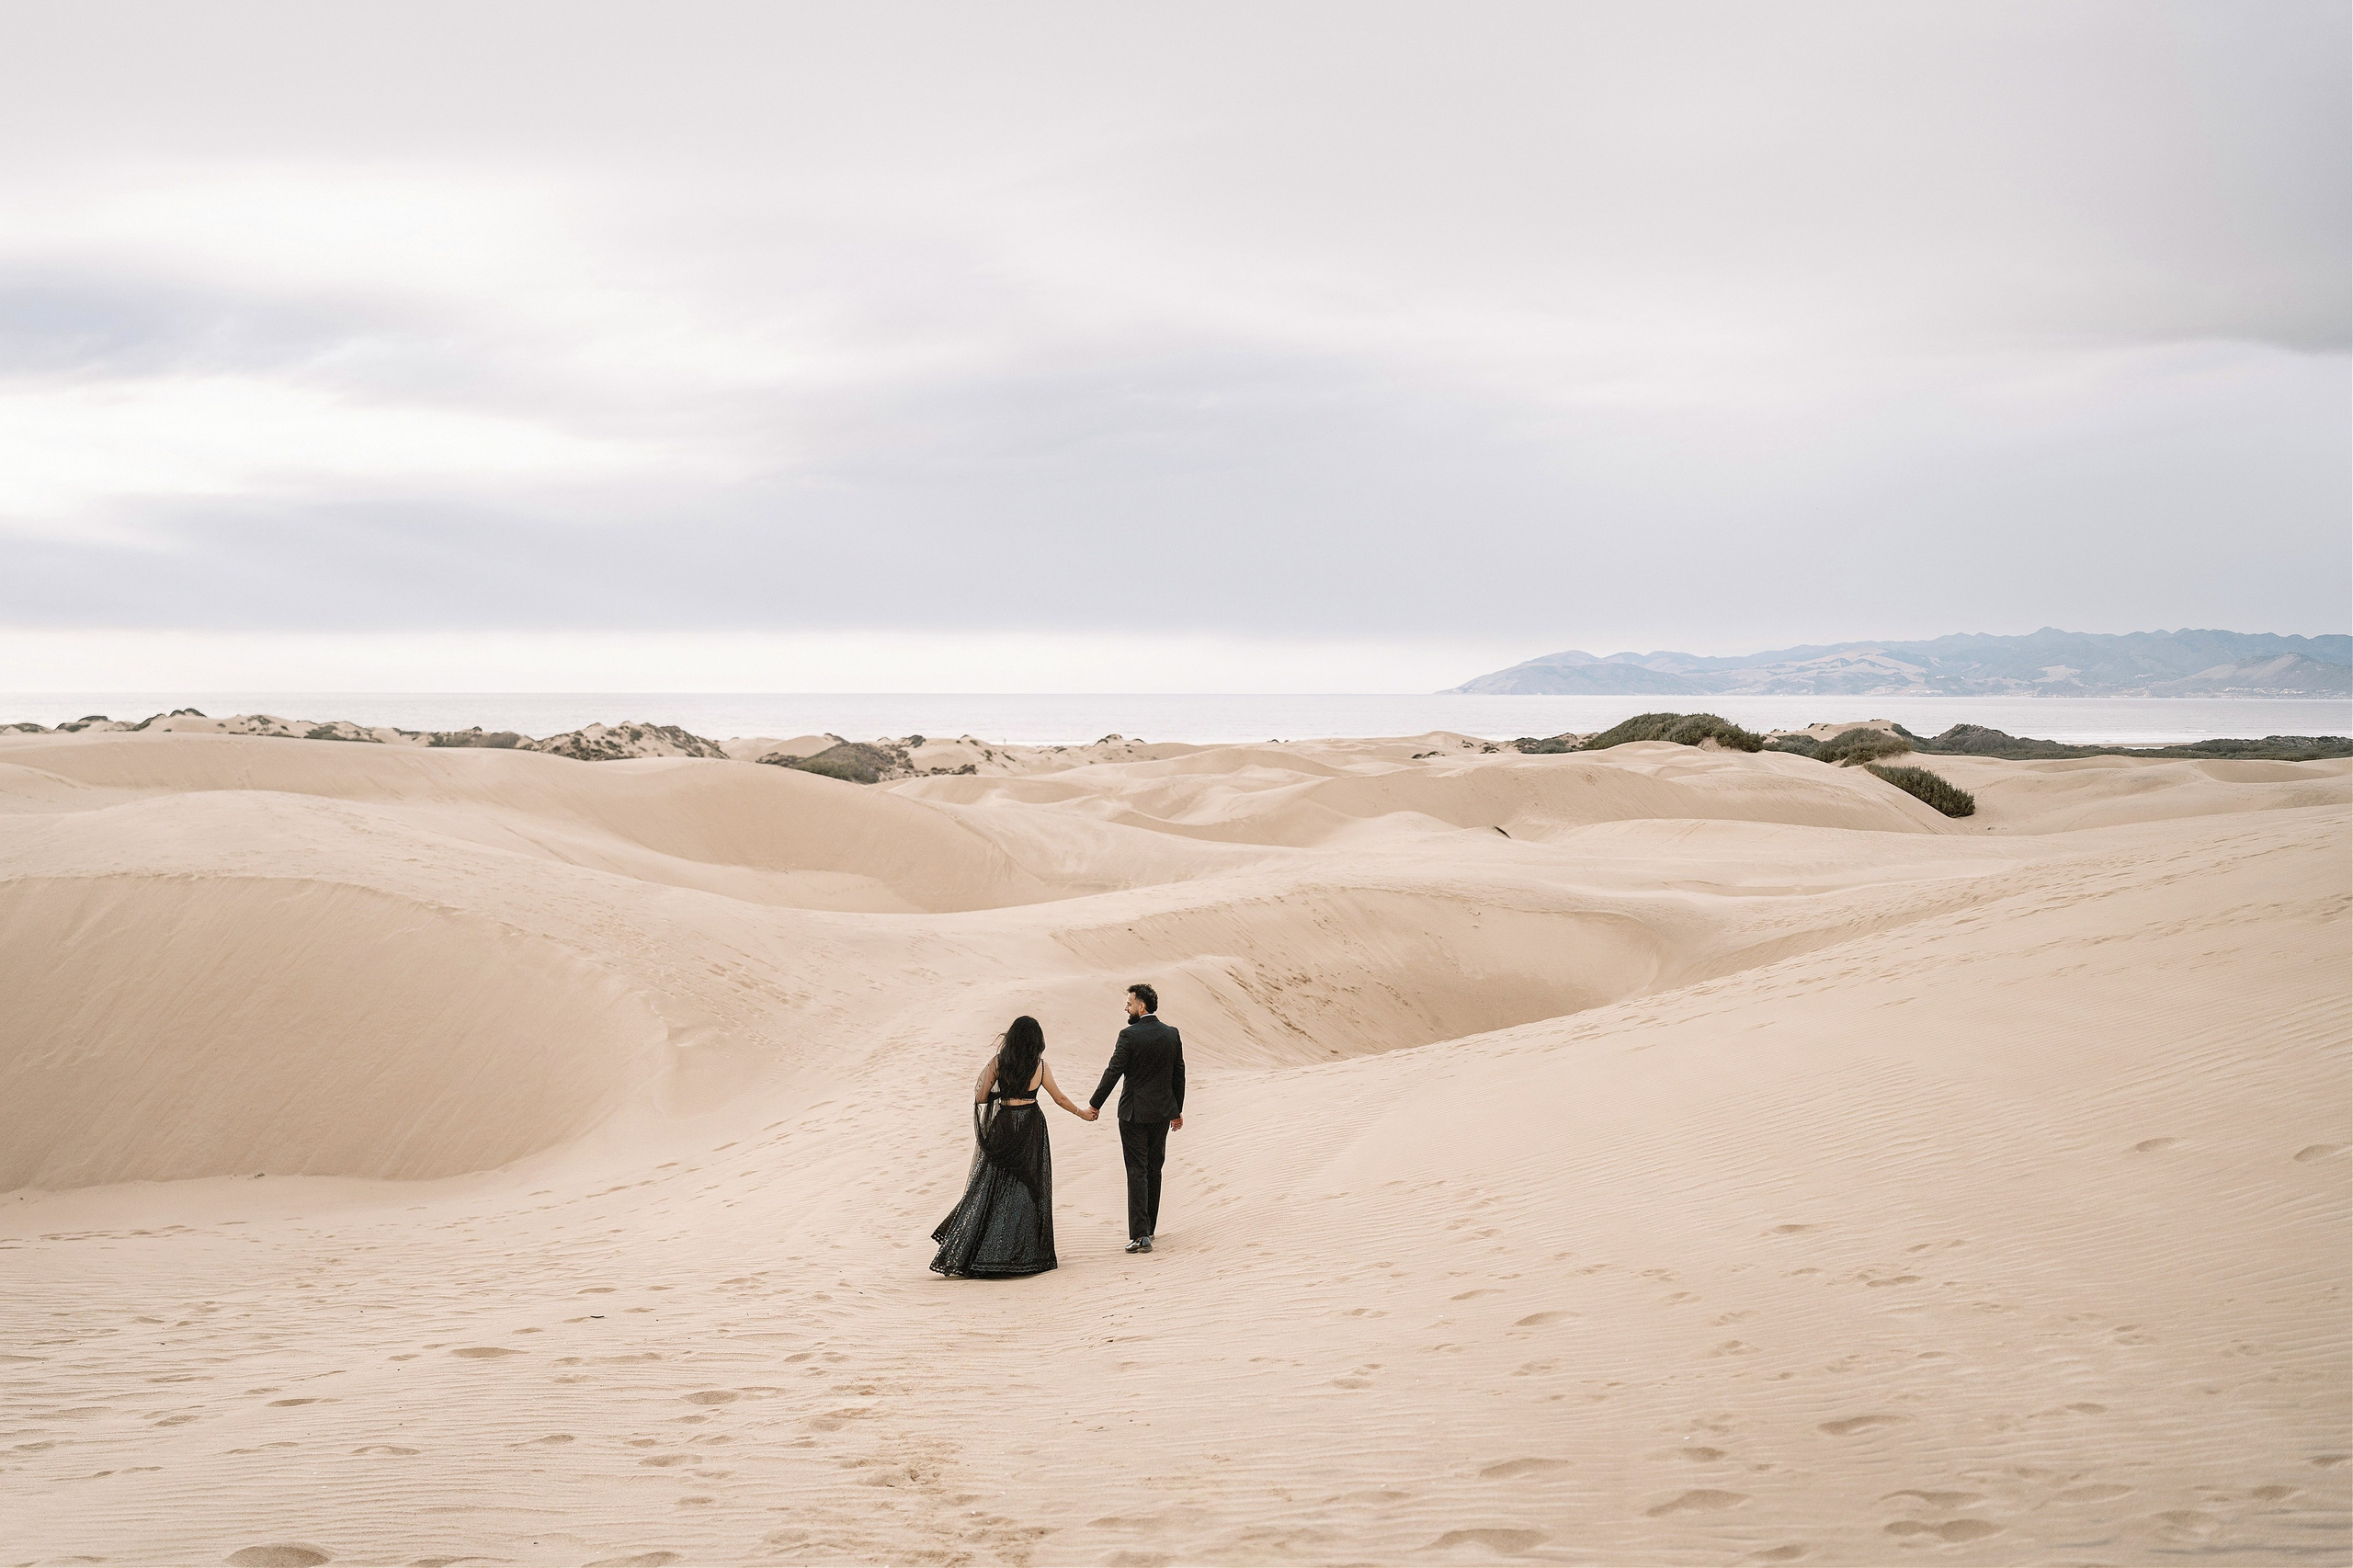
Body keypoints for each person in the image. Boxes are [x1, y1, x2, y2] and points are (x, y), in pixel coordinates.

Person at [930, 1016, 1094, 1278]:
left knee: (992, 1184)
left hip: (1005, 1123)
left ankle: (981, 1250)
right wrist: (1082, 1113)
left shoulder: (998, 1062)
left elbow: (980, 1096)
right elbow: (1059, 1098)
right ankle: (1022, 1253)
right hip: (1031, 1126)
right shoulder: (1040, 1066)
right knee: (1028, 1187)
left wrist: (1000, 1090)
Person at [1089, 982, 1186, 1254]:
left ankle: (1139, 1235)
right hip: (1161, 1113)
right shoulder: (1171, 1034)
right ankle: (1150, 1230)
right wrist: (1176, 1111)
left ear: (1141, 1006)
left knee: (1137, 1170)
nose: (1126, 1008)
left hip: (1133, 1114)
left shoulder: (1129, 1035)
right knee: (1154, 1169)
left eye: (1129, 1003)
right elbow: (1179, 1074)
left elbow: (1113, 1071)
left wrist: (1095, 1104)